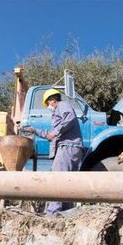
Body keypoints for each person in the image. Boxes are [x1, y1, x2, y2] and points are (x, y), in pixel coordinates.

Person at [21, 88, 83, 216]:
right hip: (71, 147)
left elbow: (69, 118)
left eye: (48, 104)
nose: (48, 107)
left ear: (53, 100)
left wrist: (55, 132)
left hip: (67, 146)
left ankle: (52, 213)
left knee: (57, 179)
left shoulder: (62, 105)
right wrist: (35, 130)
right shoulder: (58, 114)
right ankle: (67, 212)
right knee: (66, 181)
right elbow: (50, 135)